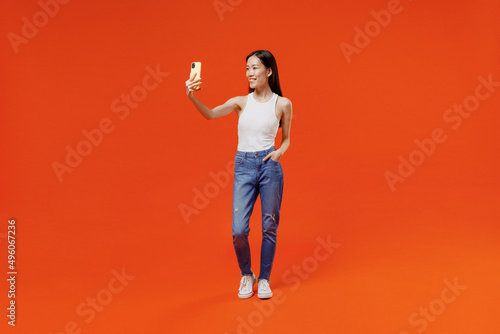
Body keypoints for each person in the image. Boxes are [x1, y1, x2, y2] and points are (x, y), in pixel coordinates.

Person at [185, 50, 292, 299]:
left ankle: (264, 279)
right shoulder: (240, 102)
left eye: (255, 68)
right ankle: (247, 274)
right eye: (247, 68)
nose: (250, 73)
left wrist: (279, 152)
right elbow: (210, 114)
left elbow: (286, 140)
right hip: (244, 166)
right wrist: (191, 96)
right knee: (239, 229)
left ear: (269, 71)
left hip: (269, 166)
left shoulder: (283, 103)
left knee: (269, 226)